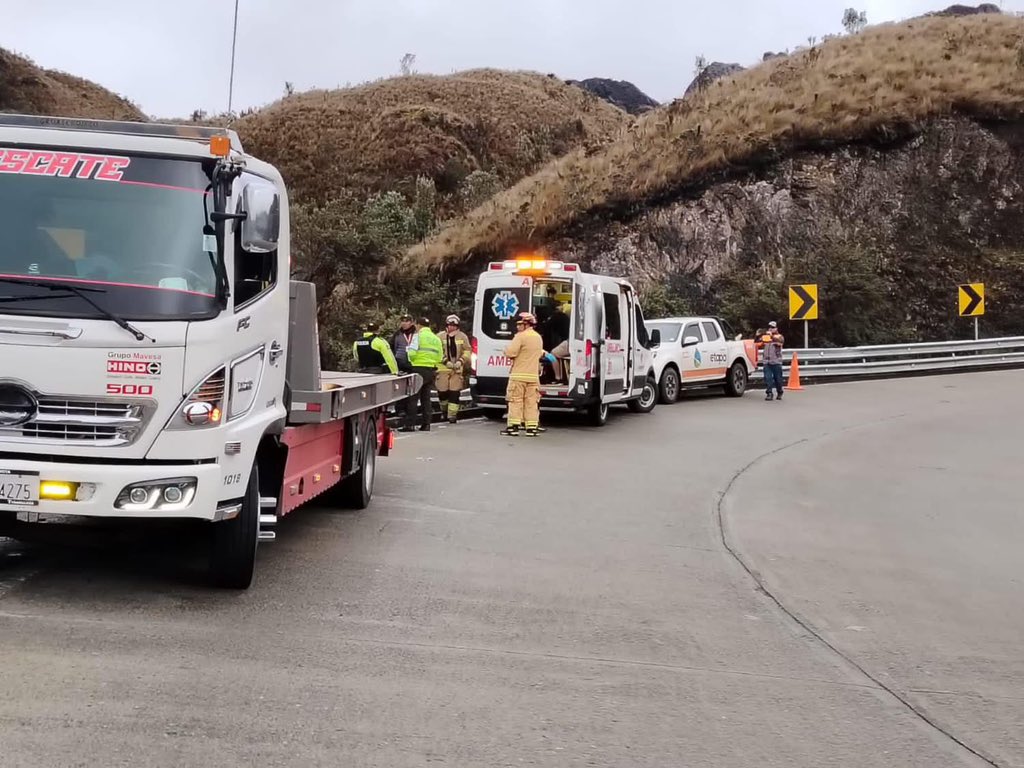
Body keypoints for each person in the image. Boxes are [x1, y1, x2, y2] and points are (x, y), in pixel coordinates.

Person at [501, 312, 544, 437]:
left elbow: (511, 352)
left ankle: (513, 427)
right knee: (531, 402)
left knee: (515, 401)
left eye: (520, 324)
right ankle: (531, 428)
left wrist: (505, 350)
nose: (518, 327)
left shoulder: (520, 336)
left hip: (518, 376)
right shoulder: (538, 337)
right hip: (533, 377)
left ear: (526, 324)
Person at [403, 316, 443, 431]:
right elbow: (440, 356)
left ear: (418, 325)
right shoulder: (436, 338)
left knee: (413, 397)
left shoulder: (417, 336)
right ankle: (426, 424)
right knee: (426, 398)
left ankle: (410, 424)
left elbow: (411, 353)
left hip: (418, 368)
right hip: (430, 370)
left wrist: (411, 360)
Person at [436, 314, 472, 424]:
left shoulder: (462, 337)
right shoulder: (440, 336)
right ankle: (444, 411)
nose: (452, 327)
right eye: (450, 325)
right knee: (442, 393)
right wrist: (445, 361)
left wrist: (461, 361)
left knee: (454, 393)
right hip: (442, 370)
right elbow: (436, 351)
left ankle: (452, 415)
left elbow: (467, 351)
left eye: (454, 325)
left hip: (456, 370)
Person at [757, 321, 786, 401]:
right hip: (767, 361)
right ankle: (769, 393)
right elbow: (758, 343)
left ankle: (779, 391)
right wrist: (758, 335)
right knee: (768, 378)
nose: (771, 329)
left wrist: (772, 336)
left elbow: (780, 342)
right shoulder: (766, 337)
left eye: (773, 327)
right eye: (770, 327)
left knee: (778, 379)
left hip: (776, 361)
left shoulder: (779, 336)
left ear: (776, 328)